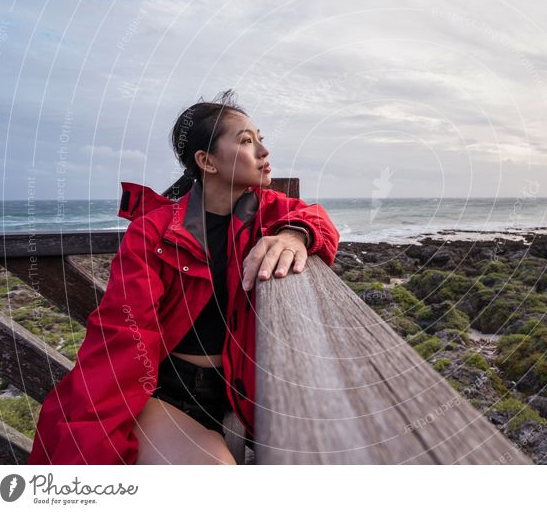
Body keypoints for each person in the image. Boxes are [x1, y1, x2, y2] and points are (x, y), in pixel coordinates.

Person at [27, 90, 340, 464]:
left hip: (244, 388)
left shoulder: (268, 211)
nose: (263, 151)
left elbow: (316, 218)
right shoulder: (154, 233)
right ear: (206, 161)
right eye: (246, 141)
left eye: (261, 138)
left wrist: (294, 235)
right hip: (171, 391)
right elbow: (126, 333)